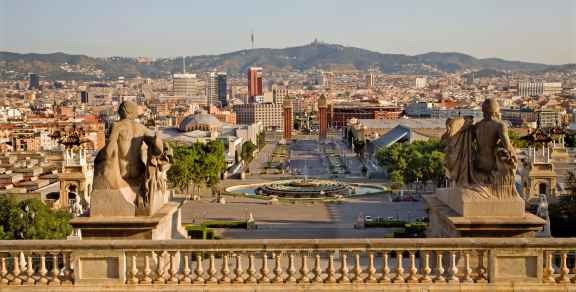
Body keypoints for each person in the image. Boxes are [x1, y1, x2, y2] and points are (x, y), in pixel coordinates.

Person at [93, 100, 165, 208]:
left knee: (98, 162)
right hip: (138, 173)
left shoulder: (117, 126)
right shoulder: (141, 128)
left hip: (122, 174)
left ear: (122, 111)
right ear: (134, 113)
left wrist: (98, 160)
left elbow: (108, 152)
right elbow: (158, 148)